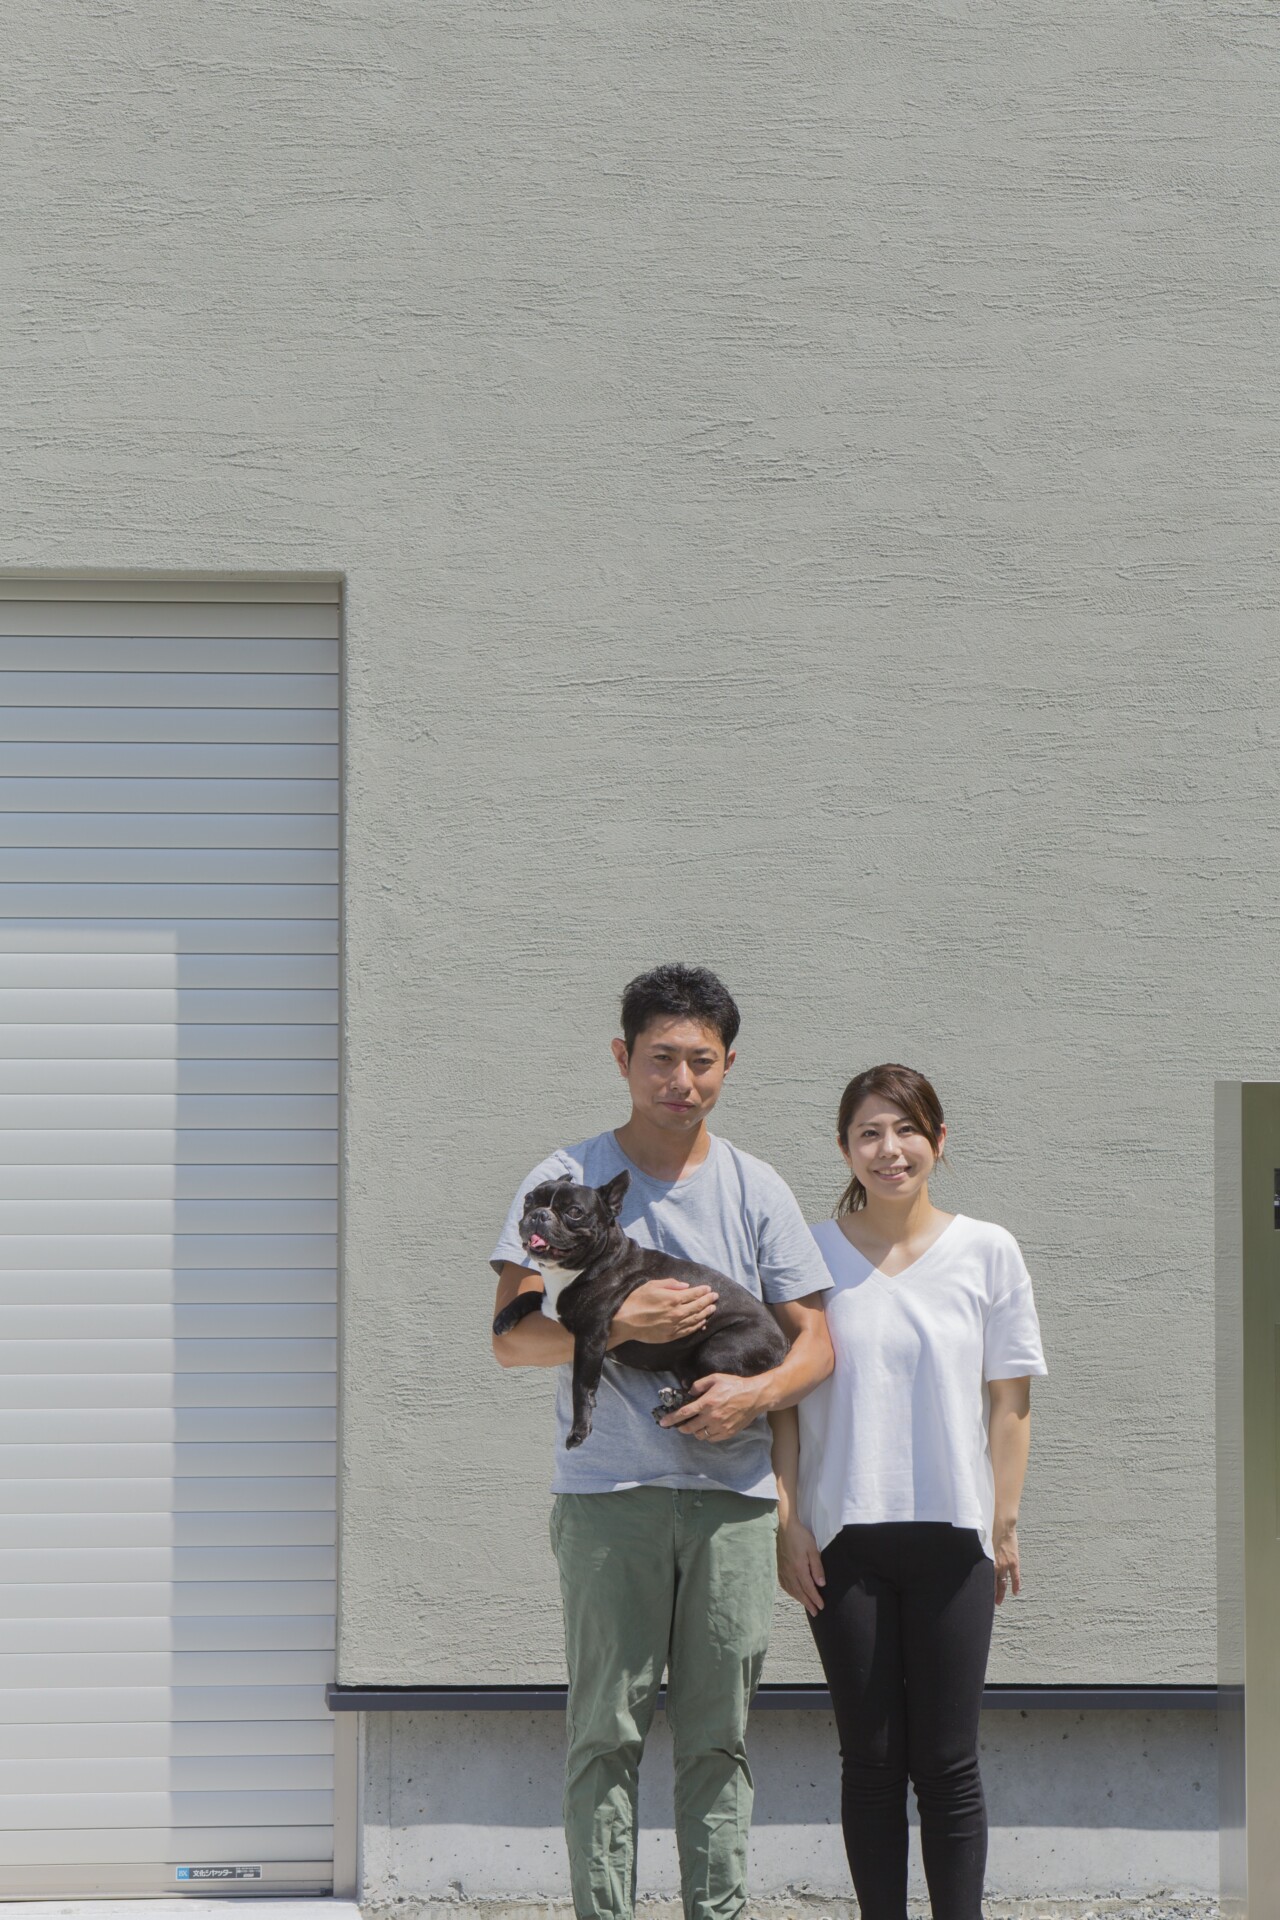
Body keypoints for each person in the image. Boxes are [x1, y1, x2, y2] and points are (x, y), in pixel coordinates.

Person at [491, 963, 834, 1920]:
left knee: (719, 1740)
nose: (681, 1080)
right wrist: (620, 1327)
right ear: (622, 1058)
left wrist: (755, 1391)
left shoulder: (756, 1187)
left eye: (701, 1061)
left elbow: (816, 1344)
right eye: (660, 1058)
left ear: (727, 1066)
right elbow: (511, 1338)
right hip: (609, 1502)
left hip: (732, 1505)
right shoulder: (562, 1179)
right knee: (605, 1735)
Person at [770, 1064, 1047, 1920]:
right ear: (844, 1148)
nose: (889, 1150)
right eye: (869, 1133)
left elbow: (1010, 1401)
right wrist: (788, 1520)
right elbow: (783, 1405)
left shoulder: (988, 1250)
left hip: (955, 1540)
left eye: (906, 1130)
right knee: (871, 1762)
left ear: (939, 1141)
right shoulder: (806, 1255)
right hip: (841, 1542)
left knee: (948, 1763)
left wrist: (1003, 1523)